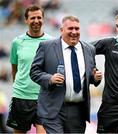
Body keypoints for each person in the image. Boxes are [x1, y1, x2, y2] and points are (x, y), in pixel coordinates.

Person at [30, 15, 102, 133]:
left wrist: (96, 78)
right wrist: (50, 78)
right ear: (61, 30)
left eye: (77, 29)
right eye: (70, 29)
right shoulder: (46, 47)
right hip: (54, 109)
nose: (74, 32)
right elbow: (34, 72)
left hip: (78, 110)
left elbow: (91, 75)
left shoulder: (89, 49)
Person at [6, 5, 53, 133]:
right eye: (32, 18)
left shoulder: (52, 42)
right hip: (21, 98)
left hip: (43, 98)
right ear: (26, 20)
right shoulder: (17, 42)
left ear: (43, 19)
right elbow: (14, 69)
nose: (36, 21)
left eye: (39, 17)